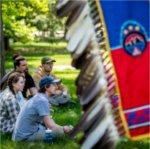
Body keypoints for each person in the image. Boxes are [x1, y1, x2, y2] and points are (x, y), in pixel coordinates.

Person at [12, 76, 73, 142]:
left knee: (57, 129)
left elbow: (49, 121)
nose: (56, 87)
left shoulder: (39, 97)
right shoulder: (42, 100)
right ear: (46, 87)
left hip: (21, 134)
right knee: (59, 133)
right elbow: (50, 125)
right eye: (54, 85)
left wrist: (61, 128)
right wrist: (64, 129)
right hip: (24, 137)